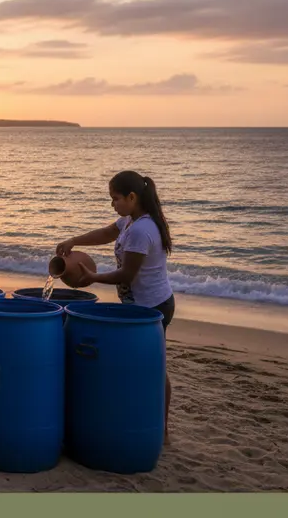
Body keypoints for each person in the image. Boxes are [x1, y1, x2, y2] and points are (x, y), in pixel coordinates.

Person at [55, 170, 175, 443]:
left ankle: (162, 428)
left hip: (153, 307)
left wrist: (93, 278)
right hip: (139, 306)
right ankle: (152, 422)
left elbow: (126, 275)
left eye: (115, 199)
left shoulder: (142, 230)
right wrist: (74, 240)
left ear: (132, 197)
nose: (113, 204)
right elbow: (108, 232)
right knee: (147, 364)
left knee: (155, 367)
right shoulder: (131, 222)